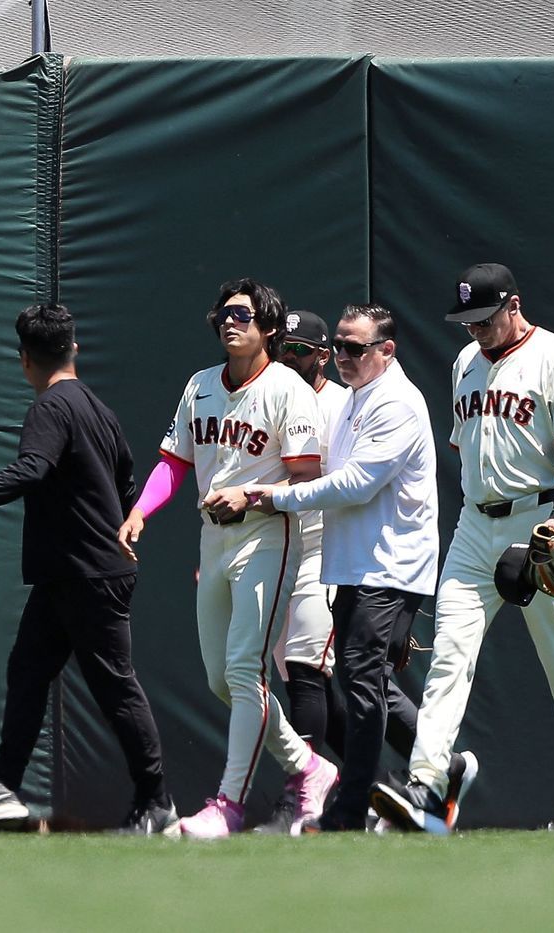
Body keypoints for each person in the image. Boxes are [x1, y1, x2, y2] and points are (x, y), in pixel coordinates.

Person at [371, 263, 554, 835]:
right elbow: (469, 451)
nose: (476, 330)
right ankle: (427, 788)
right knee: (449, 658)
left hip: (540, 519)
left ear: (514, 304)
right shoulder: (464, 362)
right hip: (475, 526)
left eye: (485, 318)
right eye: (467, 321)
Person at [0, 303, 177, 835]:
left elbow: (32, 469)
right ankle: (6, 787)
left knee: (114, 688)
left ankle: (157, 803)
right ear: (74, 349)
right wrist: (128, 523)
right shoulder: (99, 410)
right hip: (72, 575)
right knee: (28, 673)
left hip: (88, 576)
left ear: (23, 361)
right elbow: (127, 484)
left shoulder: (51, 408)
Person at [116, 279, 339, 839]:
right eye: (223, 313)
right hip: (213, 539)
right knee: (223, 679)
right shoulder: (200, 385)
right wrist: (142, 510)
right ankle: (309, 767)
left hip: (268, 533)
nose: (229, 322)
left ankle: (228, 805)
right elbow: (174, 461)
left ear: (268, 326)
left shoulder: (290, 388)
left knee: (245, 671)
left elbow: (308, 473)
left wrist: (252, 495)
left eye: (242, 314)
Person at [248, 304, 477, 832]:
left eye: (355, 348)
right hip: (354, 567)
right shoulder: (353, 399)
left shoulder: (396, 402)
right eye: (341, 347)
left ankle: (352, 808)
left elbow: (356, 484)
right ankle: (441, 770)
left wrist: (273, 499)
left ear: (386, 350)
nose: (343, 357)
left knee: (360, 679)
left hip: (389, 569)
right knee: (362, 679)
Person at [251, 310, 350, 834]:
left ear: (323, 355)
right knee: (283, 677)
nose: (289, 357)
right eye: (283, 347)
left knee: (306, 667)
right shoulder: (266, 393)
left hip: (323, 548)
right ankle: (359, 784)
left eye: (300, 349)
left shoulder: (341, 404)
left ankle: (303, 797)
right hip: (272, 545)